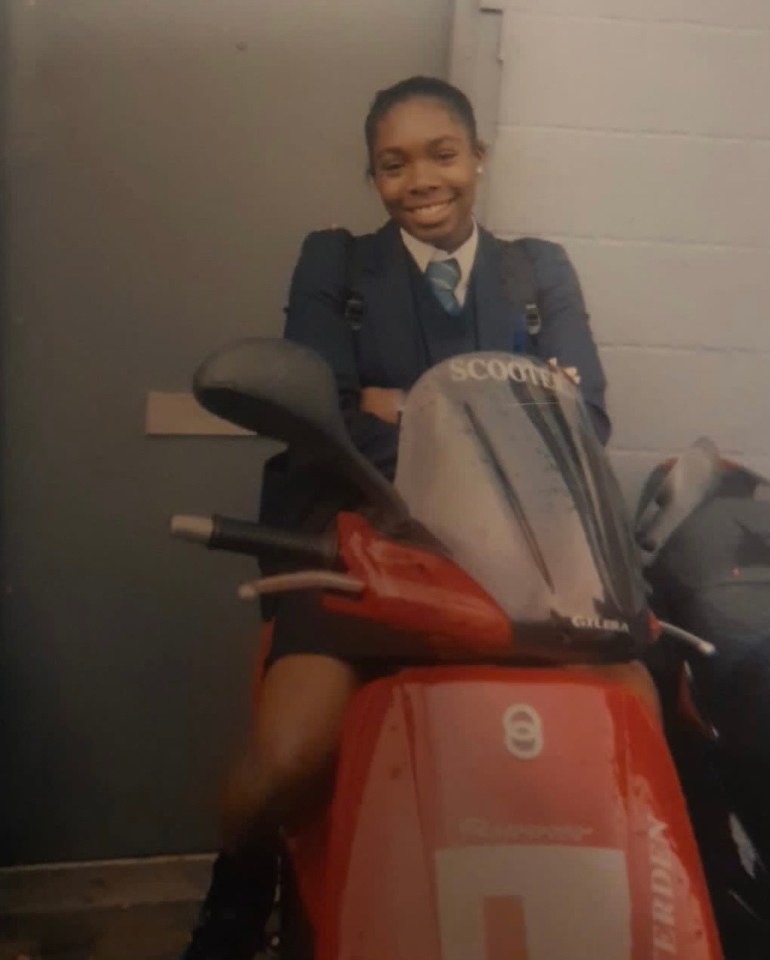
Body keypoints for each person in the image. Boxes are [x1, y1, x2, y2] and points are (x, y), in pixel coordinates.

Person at [182, 75, 610, 960]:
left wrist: (399, 405)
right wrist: (486, 430)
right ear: (373, 177)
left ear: (477, 157)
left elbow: (589, 422)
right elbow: (324, 417)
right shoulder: (333, 264)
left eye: (442, 154)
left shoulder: (541, 271)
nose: (422, 178)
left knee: (632, 710)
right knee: (292, 757)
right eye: (394, 163)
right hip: (360, 539)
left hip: (521, 558)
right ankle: (237, 891)